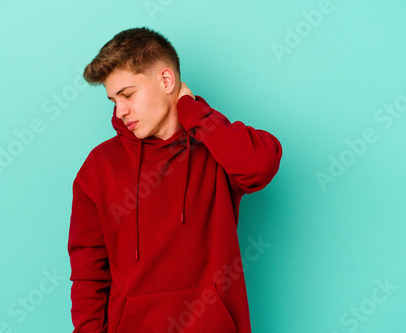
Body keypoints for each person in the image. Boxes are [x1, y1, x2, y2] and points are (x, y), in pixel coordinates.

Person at [67, 26, 282, 333]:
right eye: (114, 100)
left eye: (127, 94)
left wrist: (193, 112)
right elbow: (89, 273)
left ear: (167, 80)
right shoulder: (99, 167)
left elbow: (261, 165)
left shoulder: (216, 149)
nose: (121, 110)